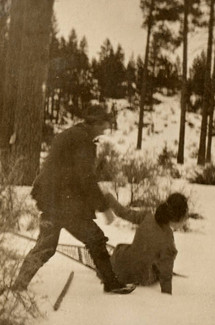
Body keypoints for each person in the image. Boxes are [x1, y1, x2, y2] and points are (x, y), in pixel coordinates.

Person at [12, 104, 135, 295]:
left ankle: (19, 284)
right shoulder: (83, 141)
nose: (105, 129)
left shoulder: (72, 134)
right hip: (65, 203)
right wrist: (104, 207)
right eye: (103, 124)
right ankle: (111, 283)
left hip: (51, 199)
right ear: (95, 122)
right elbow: (85, 177)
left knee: (46, 246)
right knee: (95, 239)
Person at [105, 192, 188, 295]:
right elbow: (166, 276)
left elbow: (123, 212)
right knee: (155, 268)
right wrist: (167, 295)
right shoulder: (168, 241)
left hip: (118, 264)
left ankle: (110, 262)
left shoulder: (147, 216)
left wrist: (109, 198)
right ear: (178, 218)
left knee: (127, 251)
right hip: (138, 277)